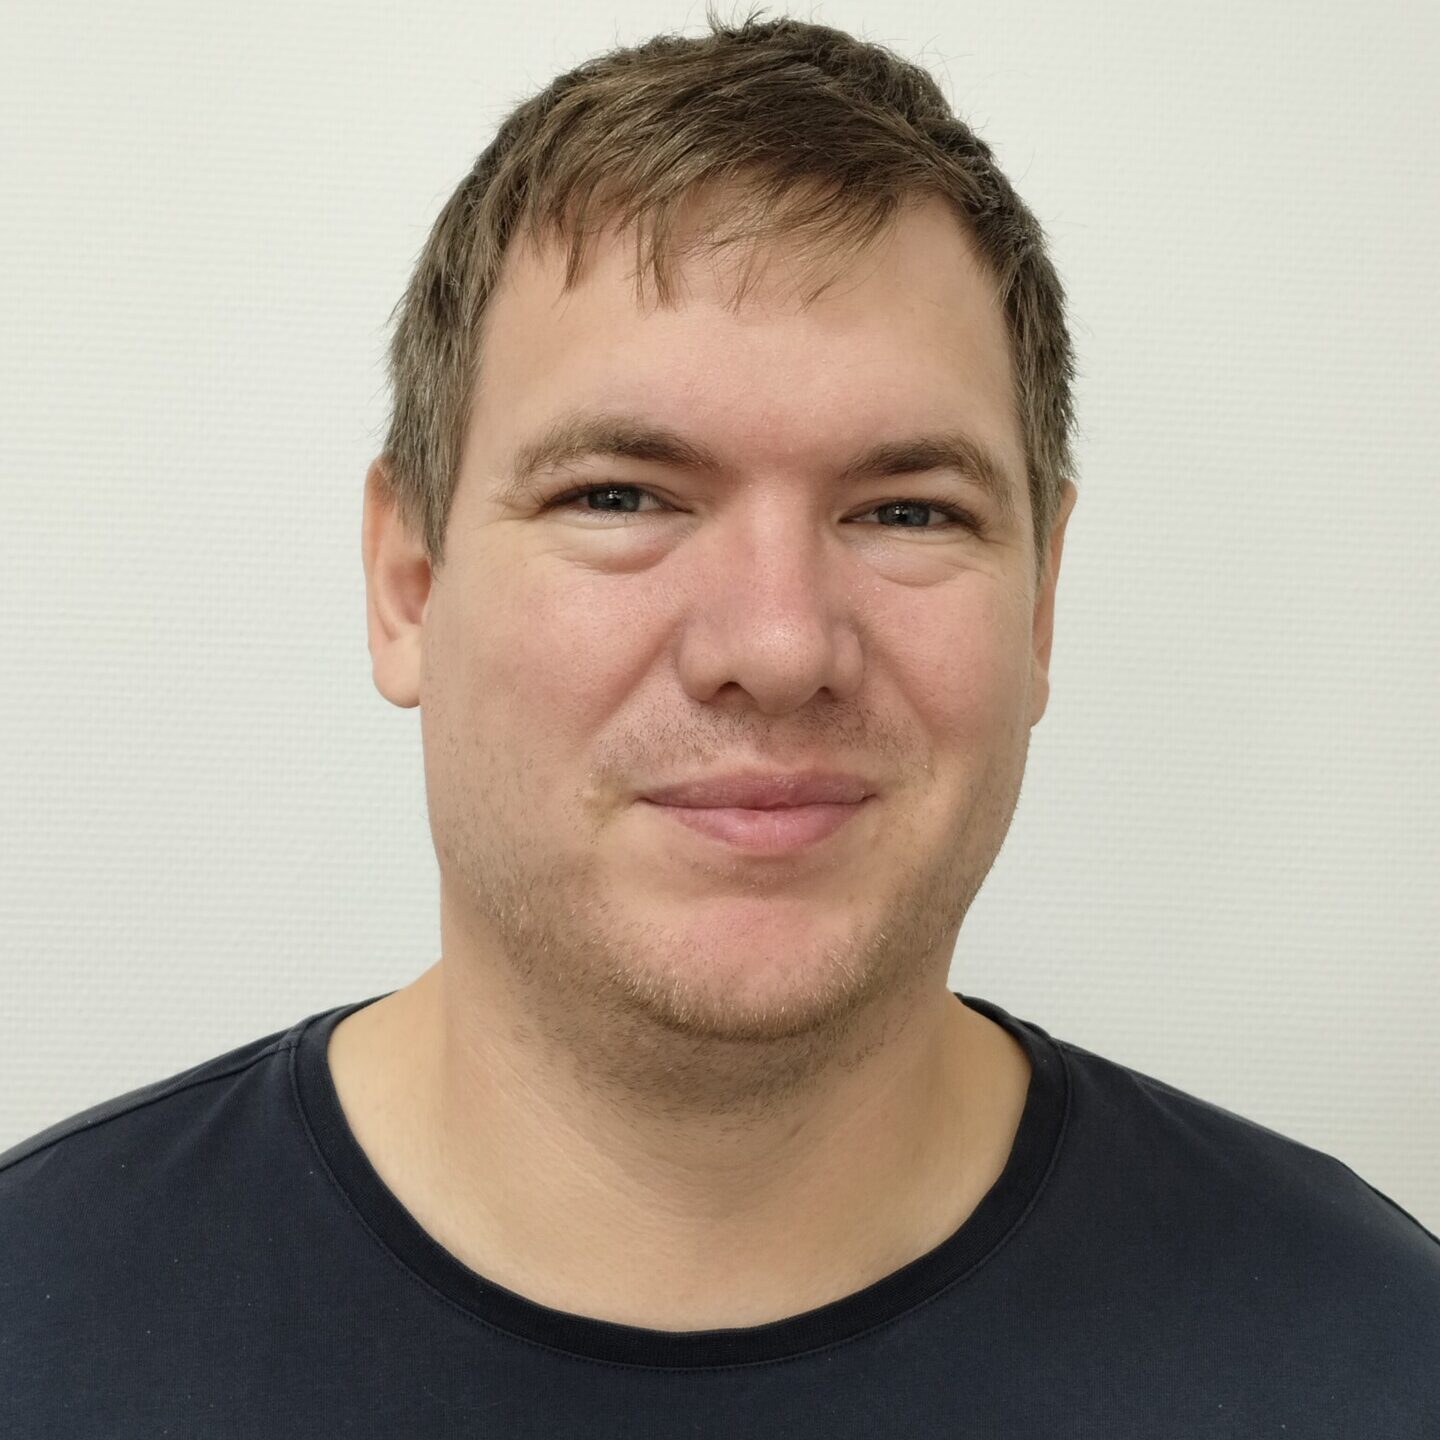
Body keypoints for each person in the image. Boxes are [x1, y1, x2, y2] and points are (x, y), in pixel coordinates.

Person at [3, 10, 1436, 1435]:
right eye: (620, 496)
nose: (777, 646)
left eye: (908, 511)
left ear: (1042, 603)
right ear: (408, 584)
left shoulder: (1373, 1354)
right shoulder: (39, 1325)